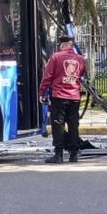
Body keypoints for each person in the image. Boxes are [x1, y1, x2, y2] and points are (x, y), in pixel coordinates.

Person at [39, 35, 86, 163]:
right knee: (73, 125)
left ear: (62, 45)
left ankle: (58, 154)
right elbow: (81, 76)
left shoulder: (55, 57)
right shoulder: (80, 59)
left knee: (58, 125)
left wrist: (42, 92)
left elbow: (47, 77)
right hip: (74, 97)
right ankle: (73, 154)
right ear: (71, 45)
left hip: (59, 96)